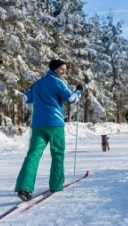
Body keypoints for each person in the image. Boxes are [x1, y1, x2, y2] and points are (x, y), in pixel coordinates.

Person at [15, 59, 83, 201]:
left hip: (38, 125)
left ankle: (24, 187)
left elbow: (26, 98)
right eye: (62, 69)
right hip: (55, 124)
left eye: (65, 69)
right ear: (54, 69)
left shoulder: (39, 83)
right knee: (57, 154)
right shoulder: (57, 82)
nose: (64, 71)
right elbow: (71, 99)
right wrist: (79, 91)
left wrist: (30, 88)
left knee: (33, 154)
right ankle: (56, 185)